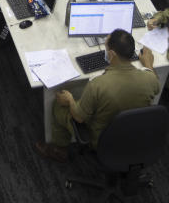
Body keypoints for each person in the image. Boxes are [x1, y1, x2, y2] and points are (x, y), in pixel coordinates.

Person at [34, 29, 159, 163]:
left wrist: (70, 100)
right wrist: (148, 65)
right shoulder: (149, 78)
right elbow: (155, 83)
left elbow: (79, 117)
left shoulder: (98, 84)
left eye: (105, 48)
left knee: (59, 105)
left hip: (102, 139)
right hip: (134, 135)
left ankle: (59, 151)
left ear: (111, 54)